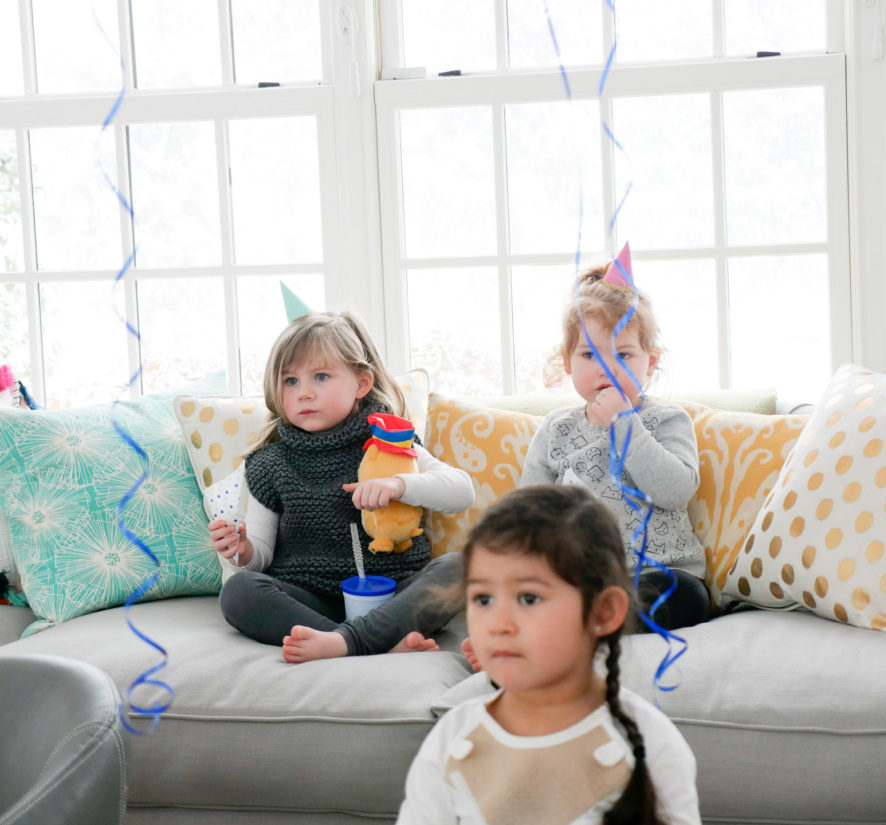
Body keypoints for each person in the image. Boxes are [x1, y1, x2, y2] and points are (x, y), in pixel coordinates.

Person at [397, 485, 701, 825]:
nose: (498, 624)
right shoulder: (452, 738)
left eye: (528, 598)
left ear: (603, 612)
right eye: (483, 599)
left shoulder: (650, 744)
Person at [207, 310, 475, 662]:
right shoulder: (270, 463)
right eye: (290, 381)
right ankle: (366, 642)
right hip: (311, 600)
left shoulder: (389, 443)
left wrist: (399, 485)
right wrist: (243, 551)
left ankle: (343, 644)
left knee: (462, 567)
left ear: (361, 383)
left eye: (320, 377)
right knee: (238, 591)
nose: (304, 393)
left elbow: (461, 491)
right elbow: (261, 554)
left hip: (392, 595)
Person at [520, 245, 711, 631]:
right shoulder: (557, 429)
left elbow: (674, 490)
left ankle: (577, 628)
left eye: (623, 355)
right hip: (581, 582)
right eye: (590, 356)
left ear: (650, 363)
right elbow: (528, 514)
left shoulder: (667, 420)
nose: (606, 368)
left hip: (660, 573)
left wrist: (624, 422)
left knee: (682, 595)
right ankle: (552, 627)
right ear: (567, 361)